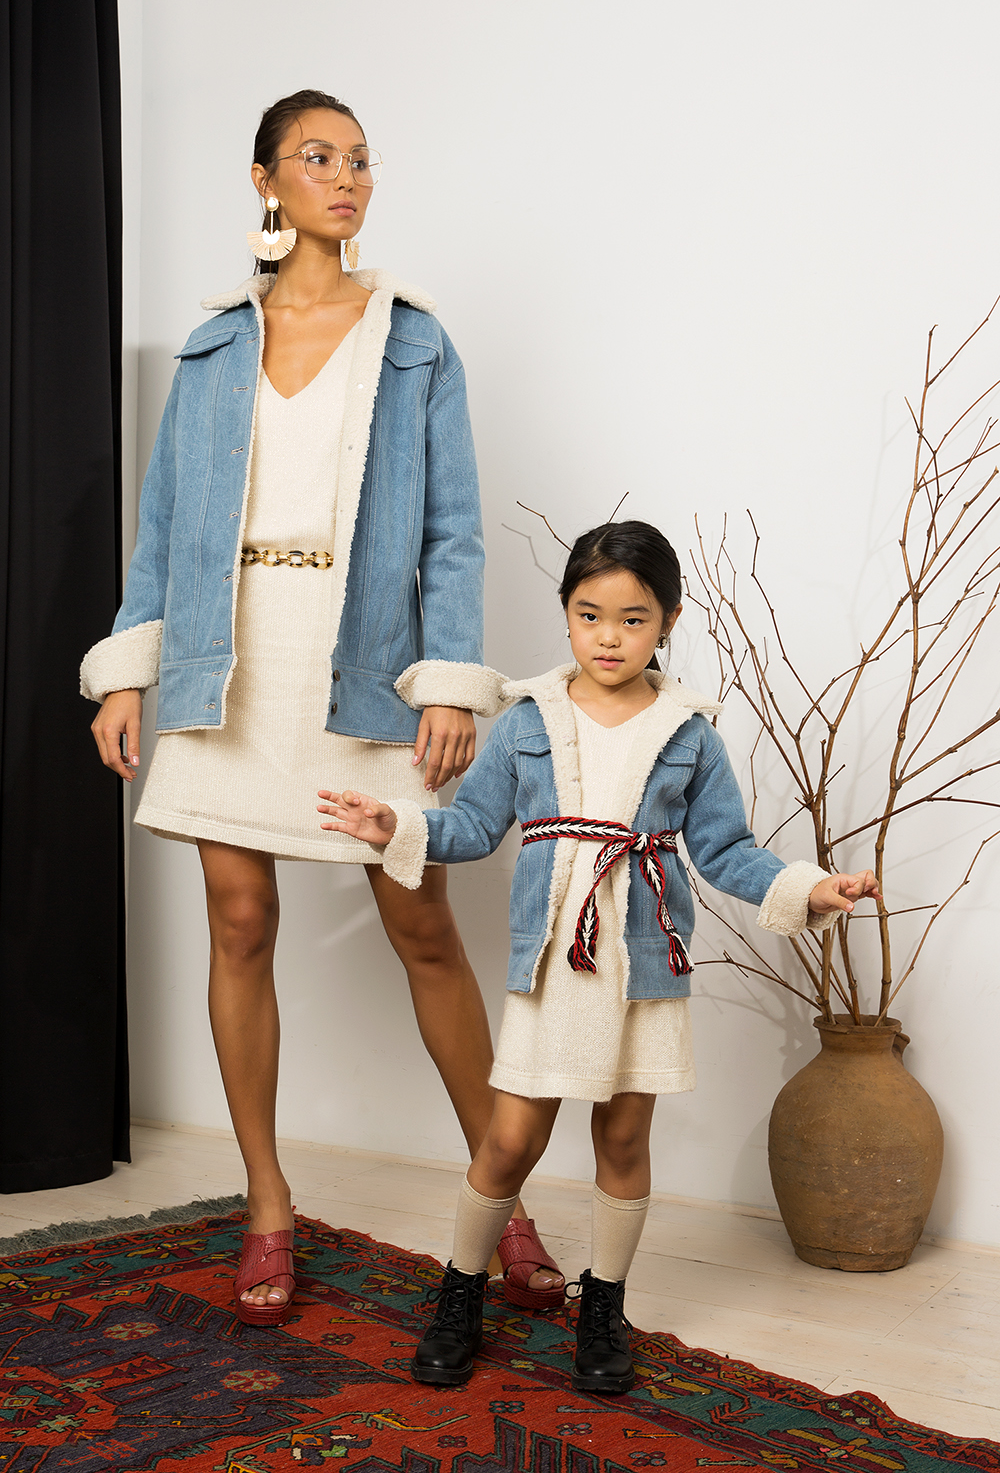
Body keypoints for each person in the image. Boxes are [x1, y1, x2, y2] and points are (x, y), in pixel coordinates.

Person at [81, 88, 563, 1326]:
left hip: (364, 663)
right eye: (317, 157)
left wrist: (447, 679)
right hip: (226, 659)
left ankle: (502, 1199)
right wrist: (129, 669)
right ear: (265, 181)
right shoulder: (212, 348)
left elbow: (453, 532)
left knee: (423, 927)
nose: (347, 179)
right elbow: (163, 529)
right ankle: (266, 1202)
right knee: (240, 921)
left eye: (359, 160)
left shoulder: (414, 343)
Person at [321, 518, 880, 1391]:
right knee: (511, 1139)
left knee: (622, 1136)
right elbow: (475, 827)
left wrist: (810, 889)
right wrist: (397, 825)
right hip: (554, 963)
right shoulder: (526, 721)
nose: (608, 637)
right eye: (589, 616)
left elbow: (726, 850)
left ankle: (604, 1308)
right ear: (566, 615)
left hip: (643, 965)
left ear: (668, 622)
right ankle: (460, 1293)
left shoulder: (690, 734)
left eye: (632, 618)